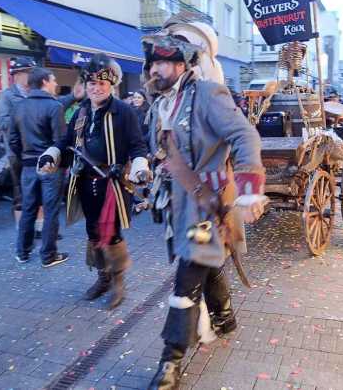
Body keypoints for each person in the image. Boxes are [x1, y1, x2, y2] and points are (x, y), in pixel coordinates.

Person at [142, 30, 266, 390]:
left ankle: (171, 359)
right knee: (204, 260)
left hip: (205, 206)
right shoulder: (159, 103)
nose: (155, 69)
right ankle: (224, 317)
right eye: (153, 63)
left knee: (188, 274)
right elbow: (161, 151)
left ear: (182, 65)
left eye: (163, 62)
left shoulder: (208, 94)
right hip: (177, 203)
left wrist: (249, 190)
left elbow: (245, 136)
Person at [38, 53, 149, 308]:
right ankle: (103, 278)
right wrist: (51, 155)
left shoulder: (124, 112)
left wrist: (139, 165)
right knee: (92, 231)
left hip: (113, 183)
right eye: (92, 83)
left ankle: (118, 281)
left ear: (112, 85)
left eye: (101, 83)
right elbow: (65, 142)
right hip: (86, 182)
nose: (96, 88)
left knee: (112, 232)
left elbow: (137, 145)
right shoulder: (81, 111)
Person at [0, 57, 82, 237]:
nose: (32, 75)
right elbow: (2, 122)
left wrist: (73, 96)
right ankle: (24, 233)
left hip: (42, 151)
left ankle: (42, 229)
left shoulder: (38, 94)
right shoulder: (7, 96)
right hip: (20, 153)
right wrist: (26, 118)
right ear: (17, 75)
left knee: (44, 195)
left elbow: (55, 105)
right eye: (29, 72)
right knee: (22, 197)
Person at [9, 68, 68, 267]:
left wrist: (24, 157)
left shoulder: (19, 106)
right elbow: (60, 141)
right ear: (44, 81)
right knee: (51, 210)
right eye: (53, 80)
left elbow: (13, 140)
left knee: (29, 208)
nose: (55, 83)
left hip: (28, 165)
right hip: (50, 166)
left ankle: (22, 252)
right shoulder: (54, 106)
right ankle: (48, 255)